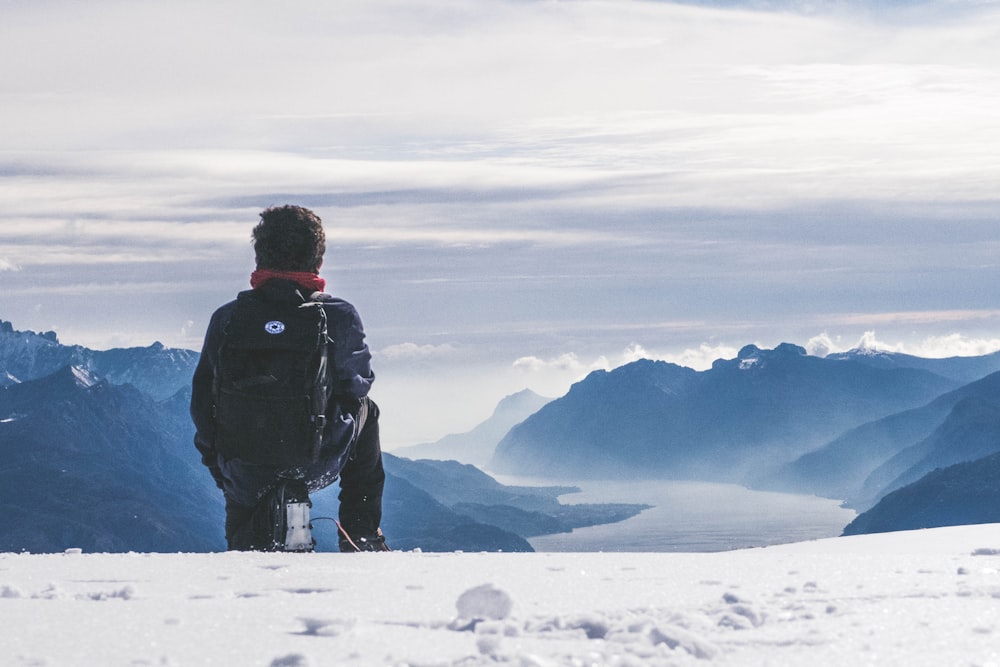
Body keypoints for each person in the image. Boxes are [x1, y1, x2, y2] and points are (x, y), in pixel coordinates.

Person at [191, 205, 389, 552]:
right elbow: (358, 385)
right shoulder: (337, 315)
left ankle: (246, 536)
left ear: (258, 257)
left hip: (244, 466)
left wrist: (222, 470)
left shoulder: (227, 318)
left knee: (242, 486)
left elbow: (202, 403)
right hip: (316, 458)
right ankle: (362, 534)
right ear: (318, 259)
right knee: (367, 411)